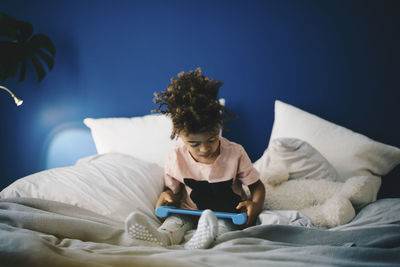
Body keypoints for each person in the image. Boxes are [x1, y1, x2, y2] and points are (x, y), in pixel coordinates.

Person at [125, 68, 265, 249]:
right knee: (175, 222)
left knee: (223, 227)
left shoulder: (235, 153)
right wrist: (167, 196)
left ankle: (206, 240)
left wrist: (254, 204)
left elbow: (256, 186)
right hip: (190, 211)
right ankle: (162, 238)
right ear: (178, 133)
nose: (205, 148)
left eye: (212, 139)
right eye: (194, 143)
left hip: (228, 213)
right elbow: (173, 191)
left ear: (218, 127)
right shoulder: (176, 155)